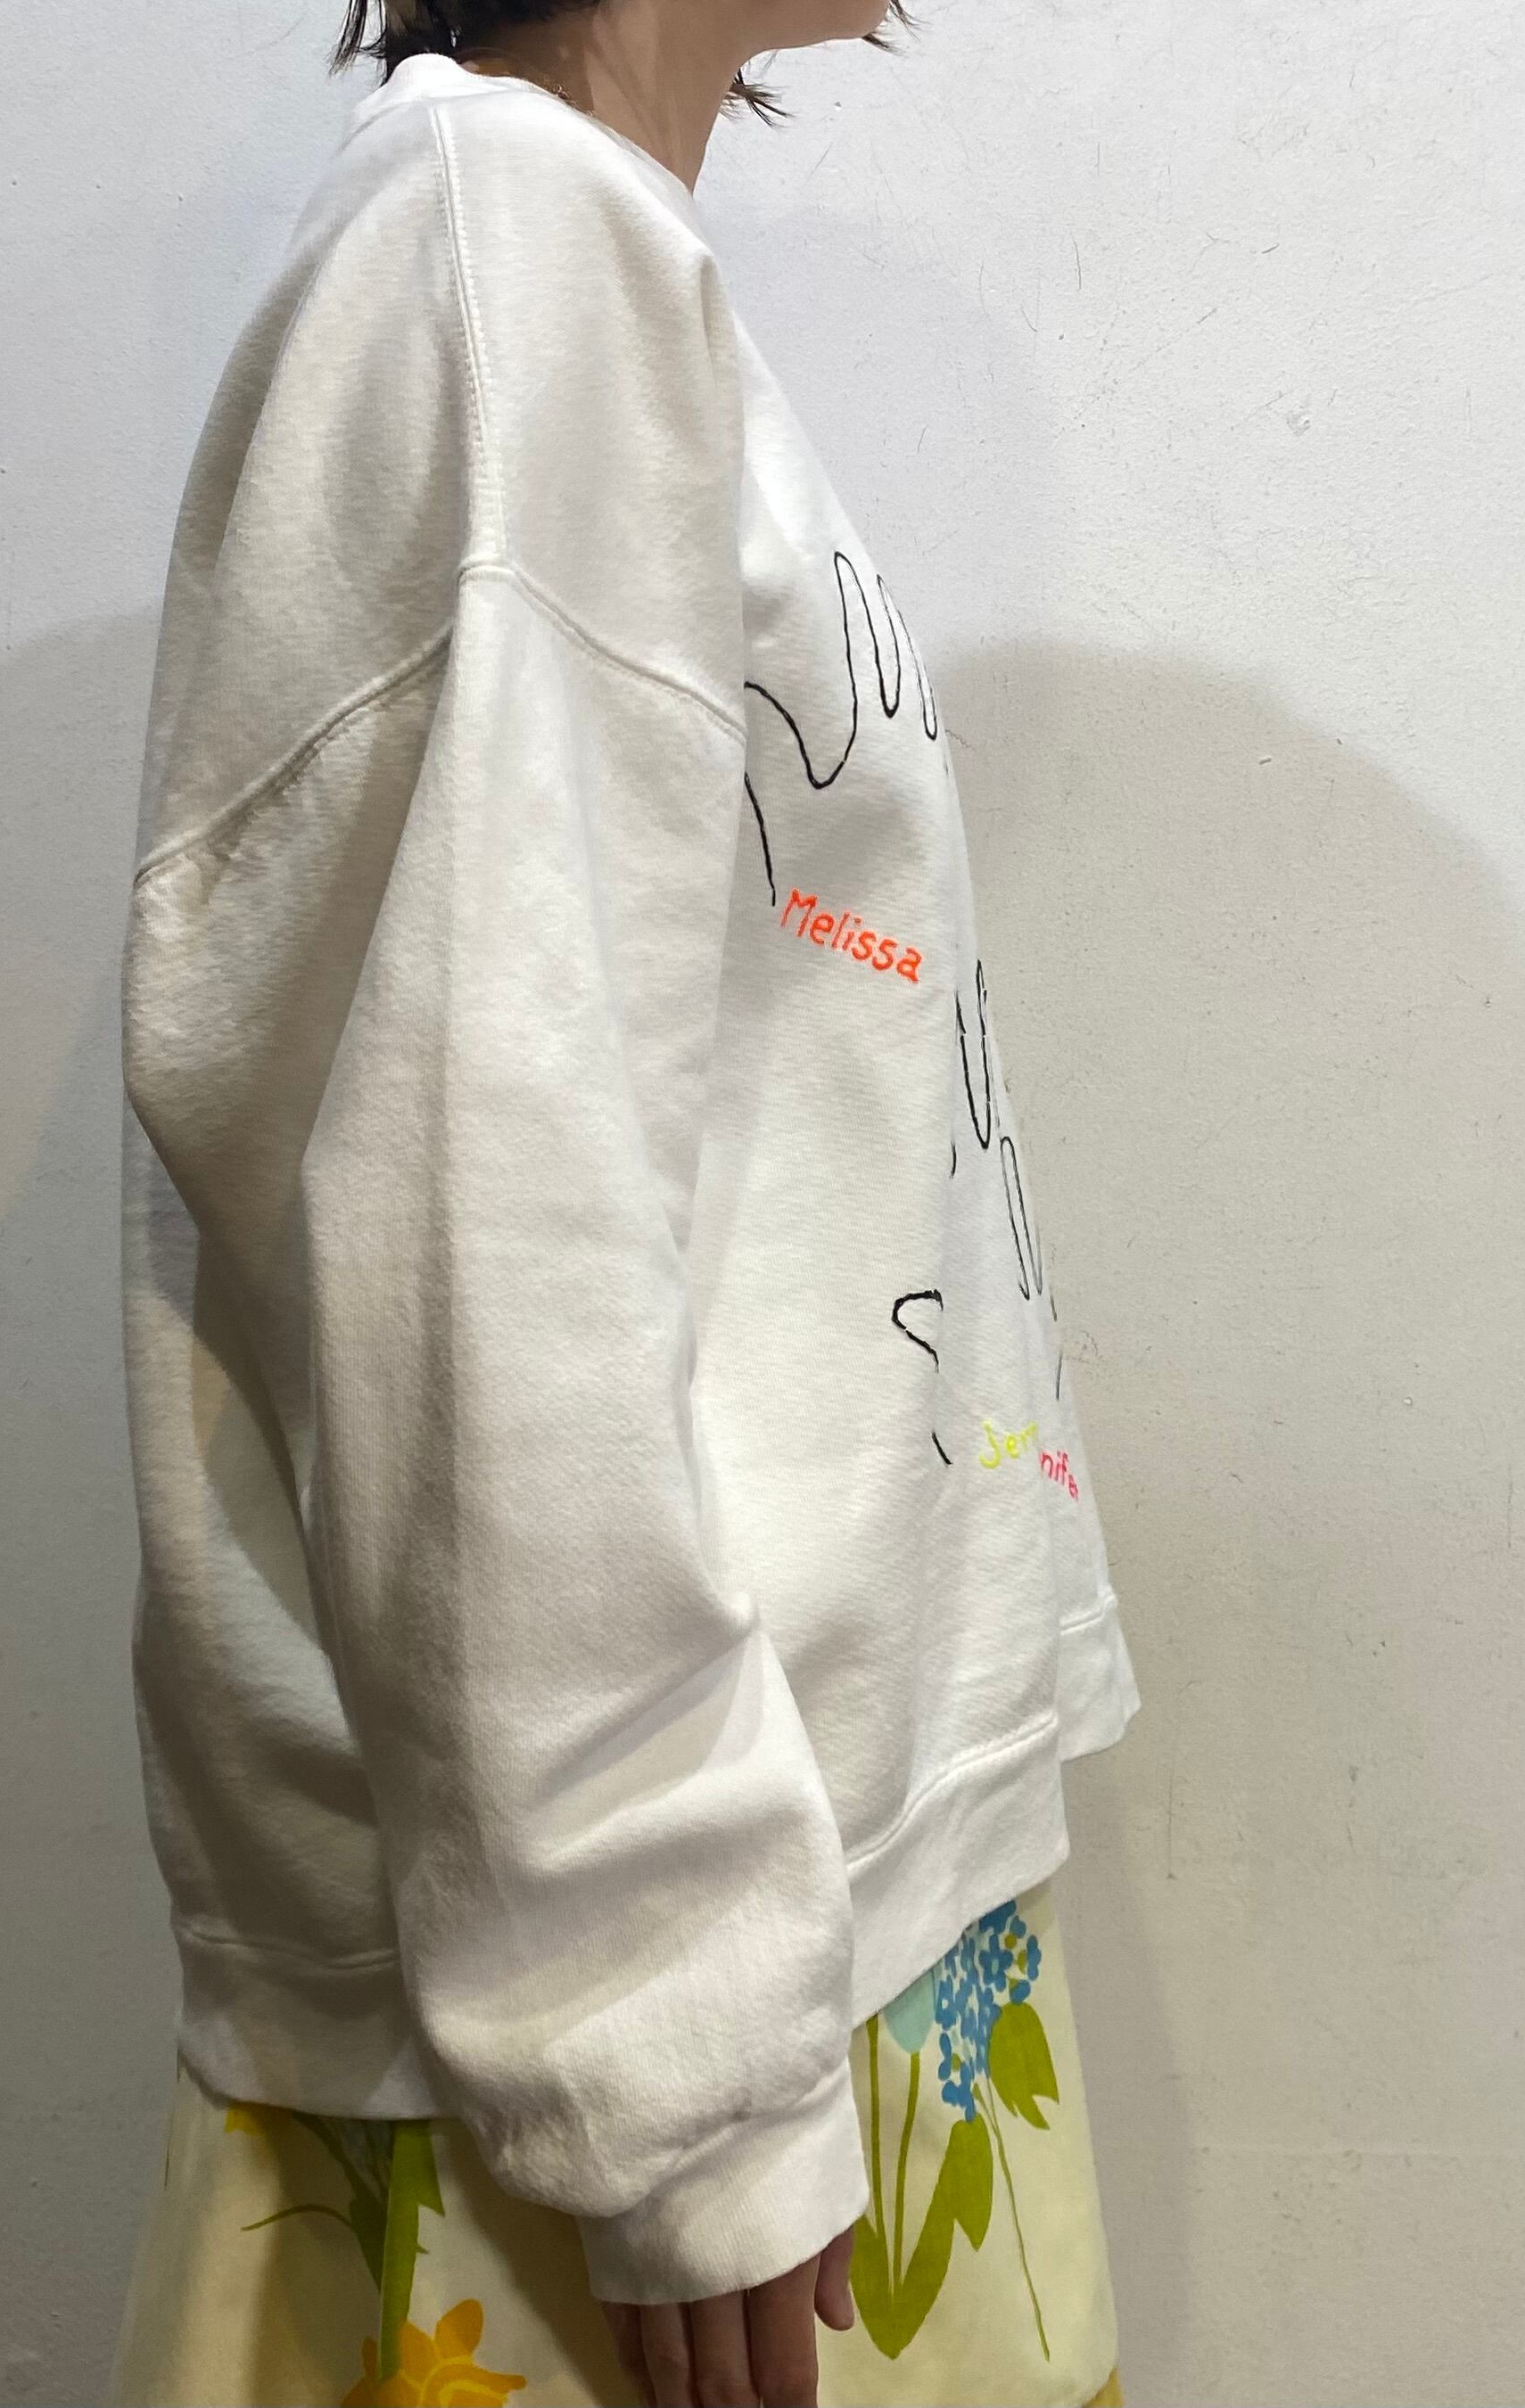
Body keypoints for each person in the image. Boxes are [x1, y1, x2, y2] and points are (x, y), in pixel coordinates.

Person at [107, 3, 1140, 2401]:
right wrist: (660, 2040)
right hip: (663, 2053)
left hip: (803, 1930)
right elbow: (477, 1214)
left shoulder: (580, 270)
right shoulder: (507, 250)